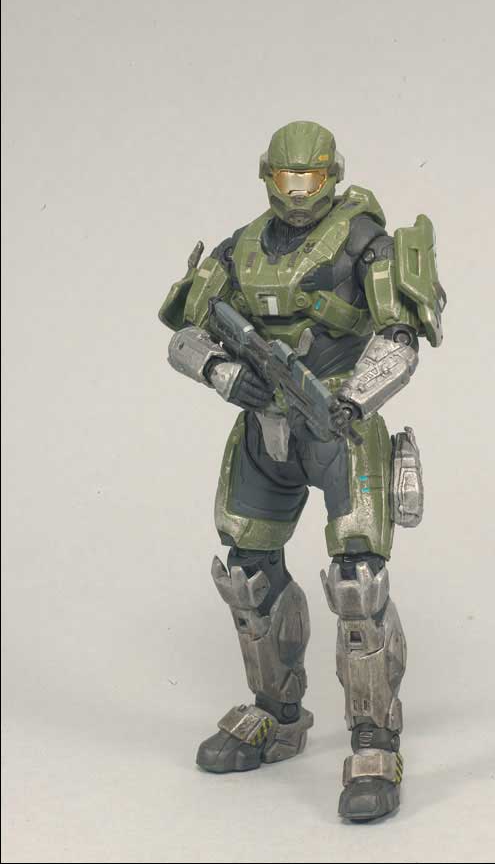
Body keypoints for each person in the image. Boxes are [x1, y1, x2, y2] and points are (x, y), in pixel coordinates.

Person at [159, 120, 446, 821]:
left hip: (339, 426)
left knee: (357, 583)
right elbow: (184, 330)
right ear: (268, 176)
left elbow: (402, 335)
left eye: (309, 179)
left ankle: (374, 741)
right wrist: (224, 372)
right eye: (287, 179)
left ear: (331, 176)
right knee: (247, 572)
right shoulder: (240, 247)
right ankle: (277, 714)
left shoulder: (363, 241)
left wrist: (353, 400)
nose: (296, 193)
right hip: (266, 426)